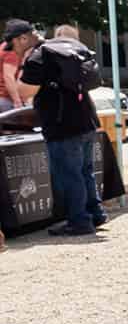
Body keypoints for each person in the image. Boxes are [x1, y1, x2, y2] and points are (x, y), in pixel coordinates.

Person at [16, 24, 107, 237]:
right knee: (85, 171)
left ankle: (79, 221)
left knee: (69, 175)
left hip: (62, 124)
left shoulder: (40, 56)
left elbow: (25, 90)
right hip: (86, 119)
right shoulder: (70, 50)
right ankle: (95, 213)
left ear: (23, 39)